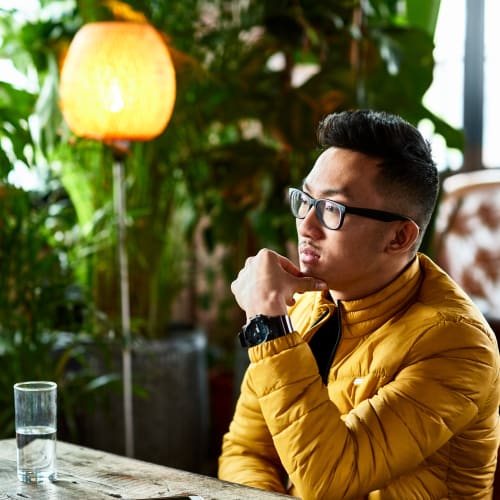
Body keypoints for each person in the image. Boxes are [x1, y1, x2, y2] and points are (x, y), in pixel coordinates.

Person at [218, 109, 500, 499]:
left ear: (400, 237)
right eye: (306, 200)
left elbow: (331, 479)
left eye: (332, 209)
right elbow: (245, 451)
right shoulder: (304, 306)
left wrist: (267, 321)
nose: (306, 225)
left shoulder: (456, 344)